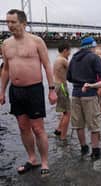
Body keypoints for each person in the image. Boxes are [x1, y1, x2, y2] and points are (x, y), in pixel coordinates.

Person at [0, 9, 57, 176]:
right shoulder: (6, 44)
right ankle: (32, 159)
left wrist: (52, 90)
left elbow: (47, 65)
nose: (9, 26)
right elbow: (5, 70)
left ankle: (45, 162)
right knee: (23, 127)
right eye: (7, 22)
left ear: (23, 23)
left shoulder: (36, 41)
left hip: (34, 89)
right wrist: (2, 91)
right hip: (15, 91)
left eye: (13, 22)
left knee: (38, 128)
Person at [67, 36, 101, 160]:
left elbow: (69, 77)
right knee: (94, 124)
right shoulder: (94, 57)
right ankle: (95, 151)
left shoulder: (74, 58)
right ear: (91, 46)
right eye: (94, 46)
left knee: (79, 124)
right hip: (90, 93)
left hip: (75, 94)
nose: (95, 49)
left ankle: (83, 148)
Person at [53, 42, 71, 140]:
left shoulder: (57, 59)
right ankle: (63, 137)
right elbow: (73, 70)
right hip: (62, 86)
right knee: (68, 112)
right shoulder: (63, 60)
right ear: (65, 50)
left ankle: (59, 130)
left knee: (64, 111)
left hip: (56, 85)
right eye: (69, 51)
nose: (69, 54)